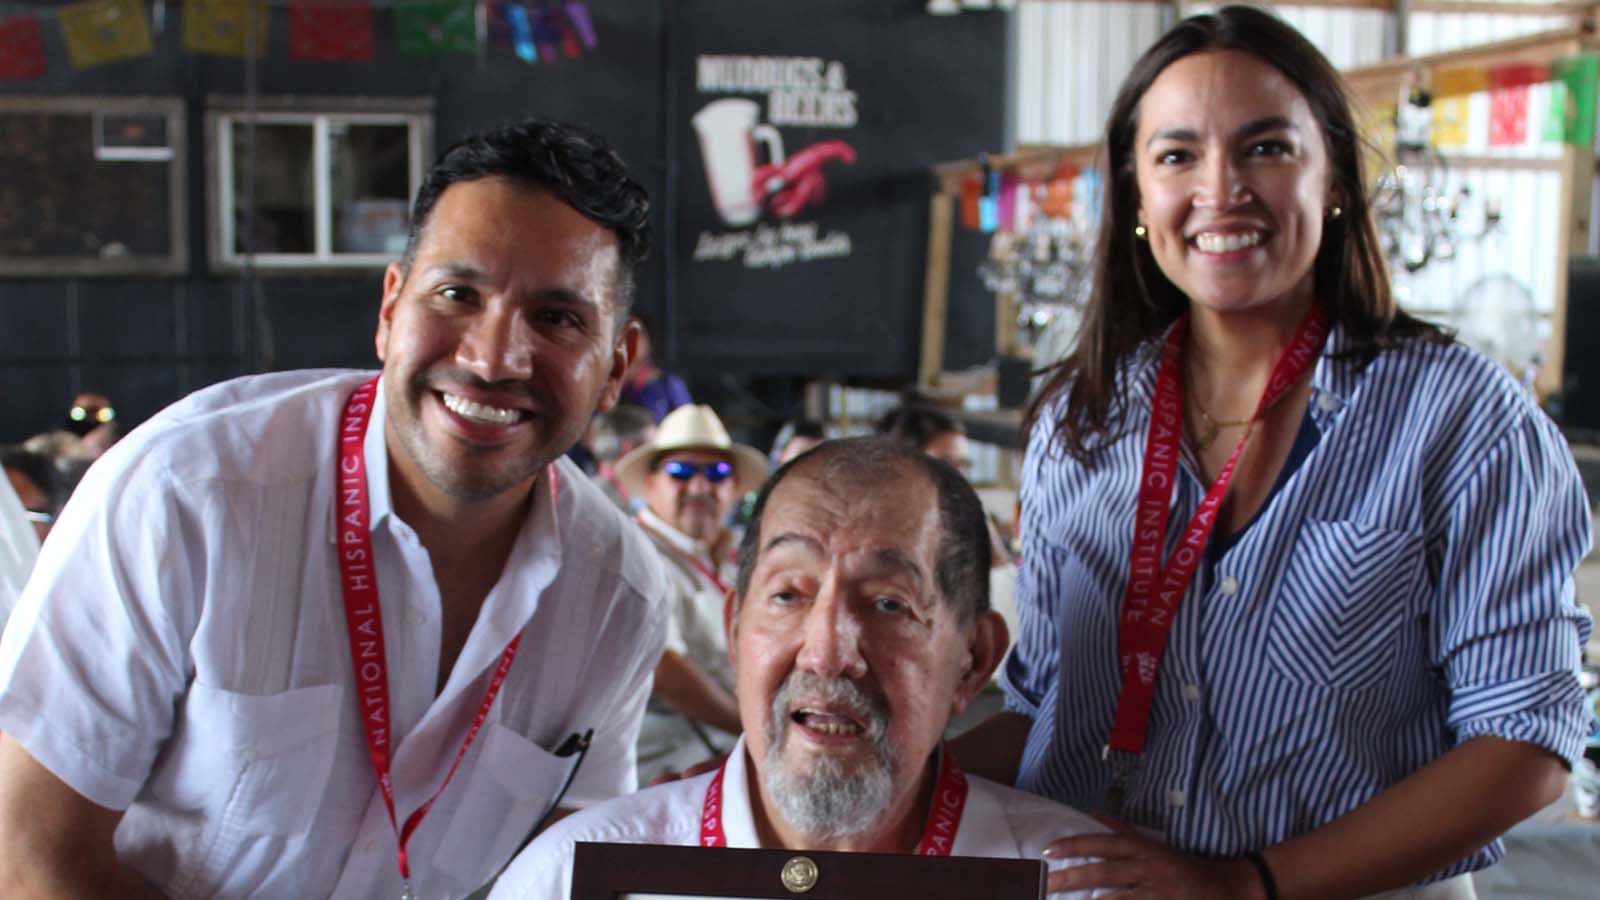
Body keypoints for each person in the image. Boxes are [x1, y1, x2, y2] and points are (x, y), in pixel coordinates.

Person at [951, 8, 1594, 900]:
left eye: (1265, 148)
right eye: (1177, 155)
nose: (1222, 189)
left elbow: (1525, 742)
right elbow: (1040, 710)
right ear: (1136, 196)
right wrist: (849, 780)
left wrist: (1247, 884)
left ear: (1332, 175)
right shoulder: (1080, 421)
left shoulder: (1462, 419)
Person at [0, 119, 671, 900]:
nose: (493, 359)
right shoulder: (185, 495)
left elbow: (559, 875)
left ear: (617, 364)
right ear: (391, 309)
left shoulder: (617, 596)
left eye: (556, 318)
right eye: (458, 294)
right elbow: (28, 856)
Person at [488, 436, 1108, 900]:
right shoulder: (572, 876)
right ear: (734, 630)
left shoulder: (1074, 883)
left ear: (973, 660)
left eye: (889, 604)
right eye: (788, 594)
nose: (828, 652)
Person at [614, 403, 767, 783]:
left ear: (733, 488)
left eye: (717, 473)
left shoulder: (734, 557)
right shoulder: (634, 551)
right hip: (660, 769)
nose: (700, 487)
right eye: (681, 472)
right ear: (651, 484)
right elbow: (664, 669)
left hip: (725, 757)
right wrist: (759, 733)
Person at [618, 312, 692, 422]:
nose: (631, 340)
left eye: (638, 333)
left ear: (650, 341)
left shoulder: (669, 386)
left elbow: (688, 427)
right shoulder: (604, 387)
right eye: (625, 333)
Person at [587, 402, 657, 510]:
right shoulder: (598, 502)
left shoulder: (590, 492)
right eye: (650, 447)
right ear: (628, 449)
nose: (655, 455)